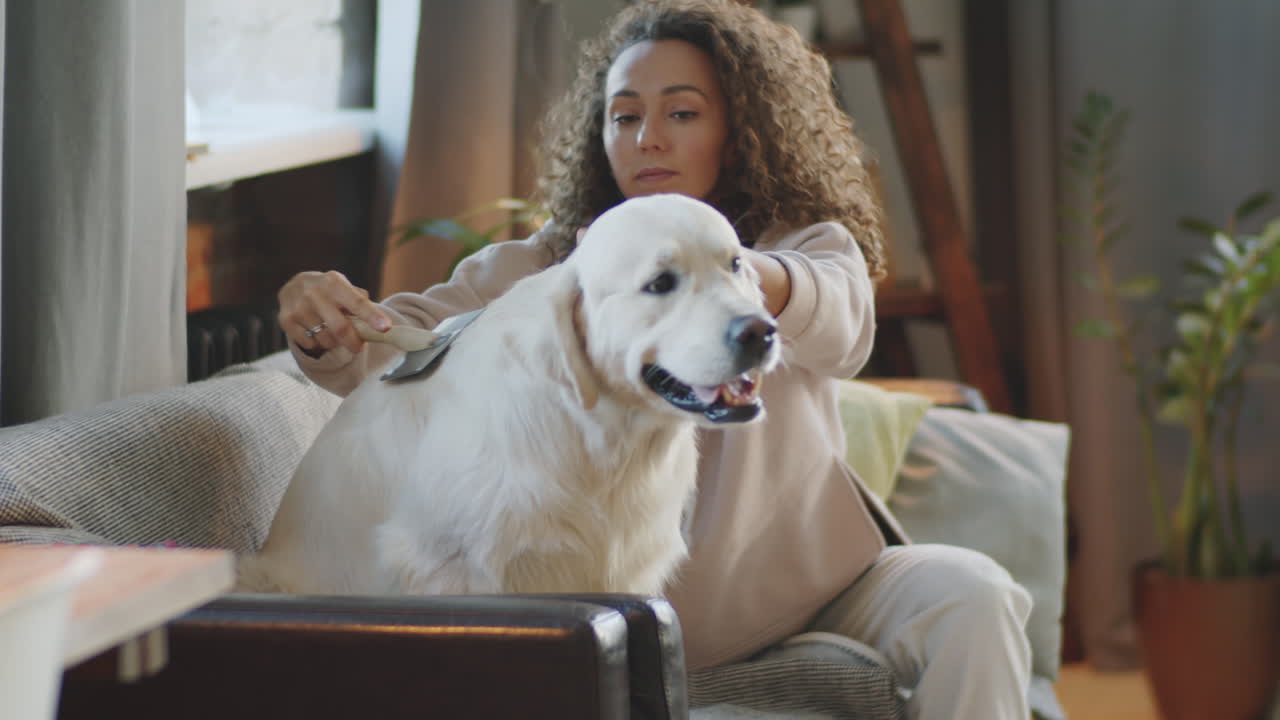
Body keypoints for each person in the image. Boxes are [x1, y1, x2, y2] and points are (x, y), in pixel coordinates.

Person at [276, 1, 1032, 717]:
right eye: (625, 116)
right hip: (642, 608)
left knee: (976, 593)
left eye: (681, 112)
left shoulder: (798, 250)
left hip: (819, 584)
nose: (648, 139)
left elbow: (841, 323)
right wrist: (325, 324)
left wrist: (728, 270)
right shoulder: (549, 274)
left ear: (739, 131)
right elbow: (391, 353)